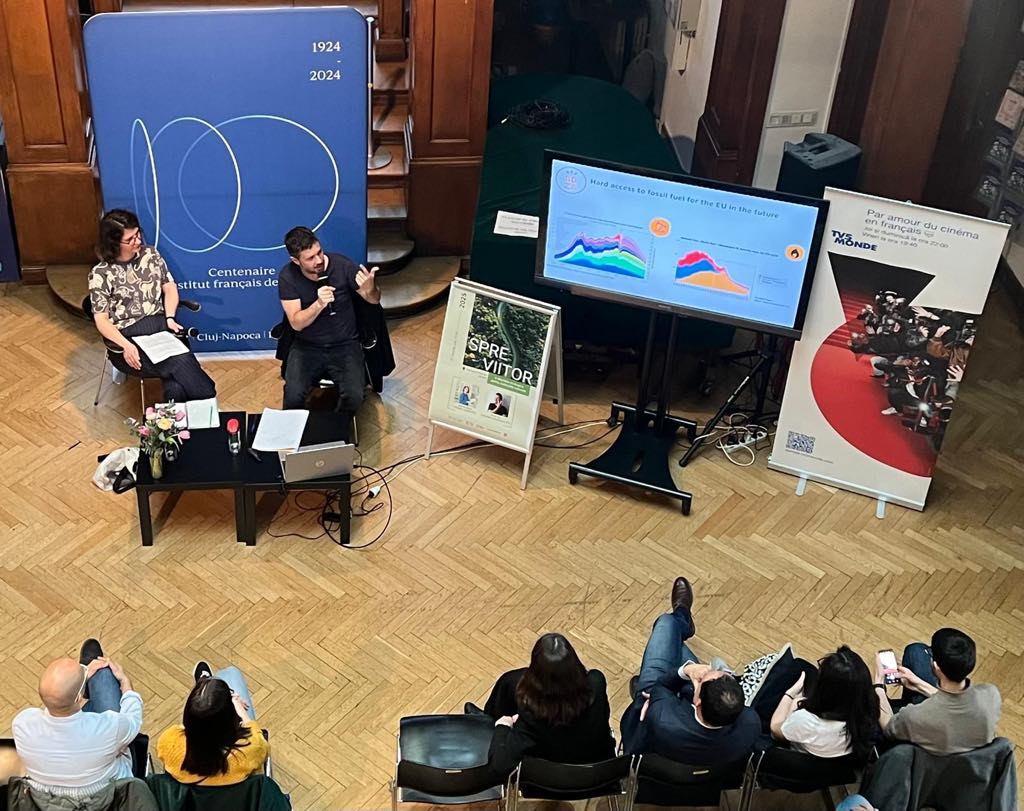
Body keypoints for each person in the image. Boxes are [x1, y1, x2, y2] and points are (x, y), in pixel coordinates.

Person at [620, 577, 761, 765]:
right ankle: (681, 619)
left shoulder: (662, 717)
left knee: (666, 624)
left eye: (701, 679)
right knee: (673, 644)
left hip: (656, 714)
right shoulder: (751, 724)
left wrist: (686, 670)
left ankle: (681, 615)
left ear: (699, 701)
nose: (703, 672)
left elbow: (660, 687)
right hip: (700, 759)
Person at [88, 209, 217, 402]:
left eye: (138, 234)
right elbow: (102, 320)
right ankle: (209, 400)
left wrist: (170, 318)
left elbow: (169, 287)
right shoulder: (100, 274)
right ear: (113, 243)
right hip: (127, 339)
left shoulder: (151, 255)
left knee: (176, 386)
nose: (138, 241)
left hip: (161, 328)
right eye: (130, 239)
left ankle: (177, 418)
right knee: (180, 361)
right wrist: (126, 346)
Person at [473, 634, 614, 779]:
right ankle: (486, 718)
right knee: (511, 682)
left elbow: (499, 767)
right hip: (596, 771)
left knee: (509, 682)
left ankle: (486, 721)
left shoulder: (529, 717)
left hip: (547, 779)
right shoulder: (597, 683)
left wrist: (503, 726)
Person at [13, 639, 143, 795]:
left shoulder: (22, 724)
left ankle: (82, 690)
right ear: (78, 698)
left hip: (48, 799)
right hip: (109, 794)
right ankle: (88, 686)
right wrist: (125, 683)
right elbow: (133, 719)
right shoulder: (110, 728)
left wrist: (75, 685)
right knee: (104, 674)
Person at [278, 227, 380, 424]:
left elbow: (374, 300)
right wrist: (319, 304)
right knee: (293, 396)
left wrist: (371, 289)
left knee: (355, 396)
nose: (318, 260)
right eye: (310, 258)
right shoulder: (287, 277)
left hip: (345, 344)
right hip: (307, 346)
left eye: (319, 252)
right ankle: (298, 431)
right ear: (296, 261)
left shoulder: (342, 265)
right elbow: (296, 323)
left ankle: (335, 427)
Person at [880, 628, 1001, 755]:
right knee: (915, 651)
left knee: (870, 699)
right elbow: (954, 701)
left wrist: (878, 685)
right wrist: (918, 684)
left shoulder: (917, 715)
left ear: (936, 666)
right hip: (967, 752)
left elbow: (888, 728)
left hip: (928, 757)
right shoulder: (991, 694)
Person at [156, 660, 268, 786]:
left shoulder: (169, 743)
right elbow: (255, 734)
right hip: (238, 796)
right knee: (232, 673)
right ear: (231, 719)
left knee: (208, 703)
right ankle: (213, 693)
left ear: (187, 717)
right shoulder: (251, 748)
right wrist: (239, 709)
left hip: (188, 797)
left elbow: (183, 729)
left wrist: (198, 719)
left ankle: (205, 694)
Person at [770, 646, 886, 761]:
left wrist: (791, 695)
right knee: (807, 669)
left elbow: (776, 731)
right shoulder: (869, 711)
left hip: (803, 757)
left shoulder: (805, 720)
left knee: (797, 669)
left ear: (825, 691)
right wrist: (879, 684)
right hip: (838, 762)